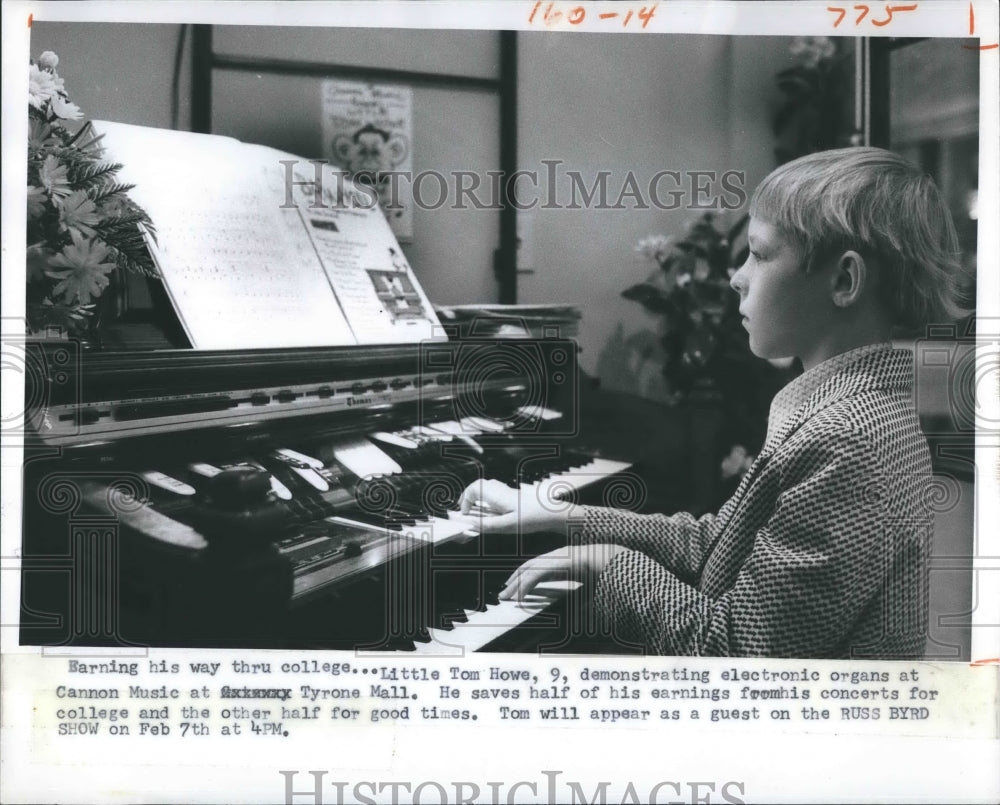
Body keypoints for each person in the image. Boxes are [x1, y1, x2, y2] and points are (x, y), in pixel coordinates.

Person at [455, 147, 968, 659]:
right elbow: (714, 543)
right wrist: (556, 514)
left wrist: (608, 563)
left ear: (843, 281)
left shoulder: (846, 440)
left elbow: (736, 654)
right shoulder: (849, 412)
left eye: (760, 254)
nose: (735, 276)